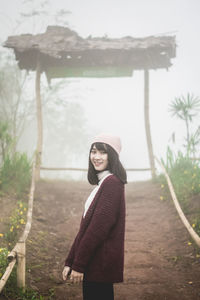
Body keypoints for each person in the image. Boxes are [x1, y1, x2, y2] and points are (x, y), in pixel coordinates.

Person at [62, 133, 127, 300]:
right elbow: (85, 229)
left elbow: (98, 230)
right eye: (93, 151)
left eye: (102, 152)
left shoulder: (112, 184)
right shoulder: (103, 184)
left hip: (99, 265)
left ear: (112, 155)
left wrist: (79, 264)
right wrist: (70, 261)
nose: (96, 157)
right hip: (94, 264)